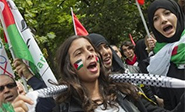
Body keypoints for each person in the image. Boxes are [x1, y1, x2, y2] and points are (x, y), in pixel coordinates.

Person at [53, 35, 185, 112]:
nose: (90, 55)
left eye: (91, 49)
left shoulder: (124, 92)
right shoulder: (65, 108)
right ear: (69, 67)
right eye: (79, 53)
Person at [147, 0, 185, 110]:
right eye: (156, 18)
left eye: (167, 13)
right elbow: (168, 102)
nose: (163, 20)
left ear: (177, 14)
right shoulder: (158, 60)